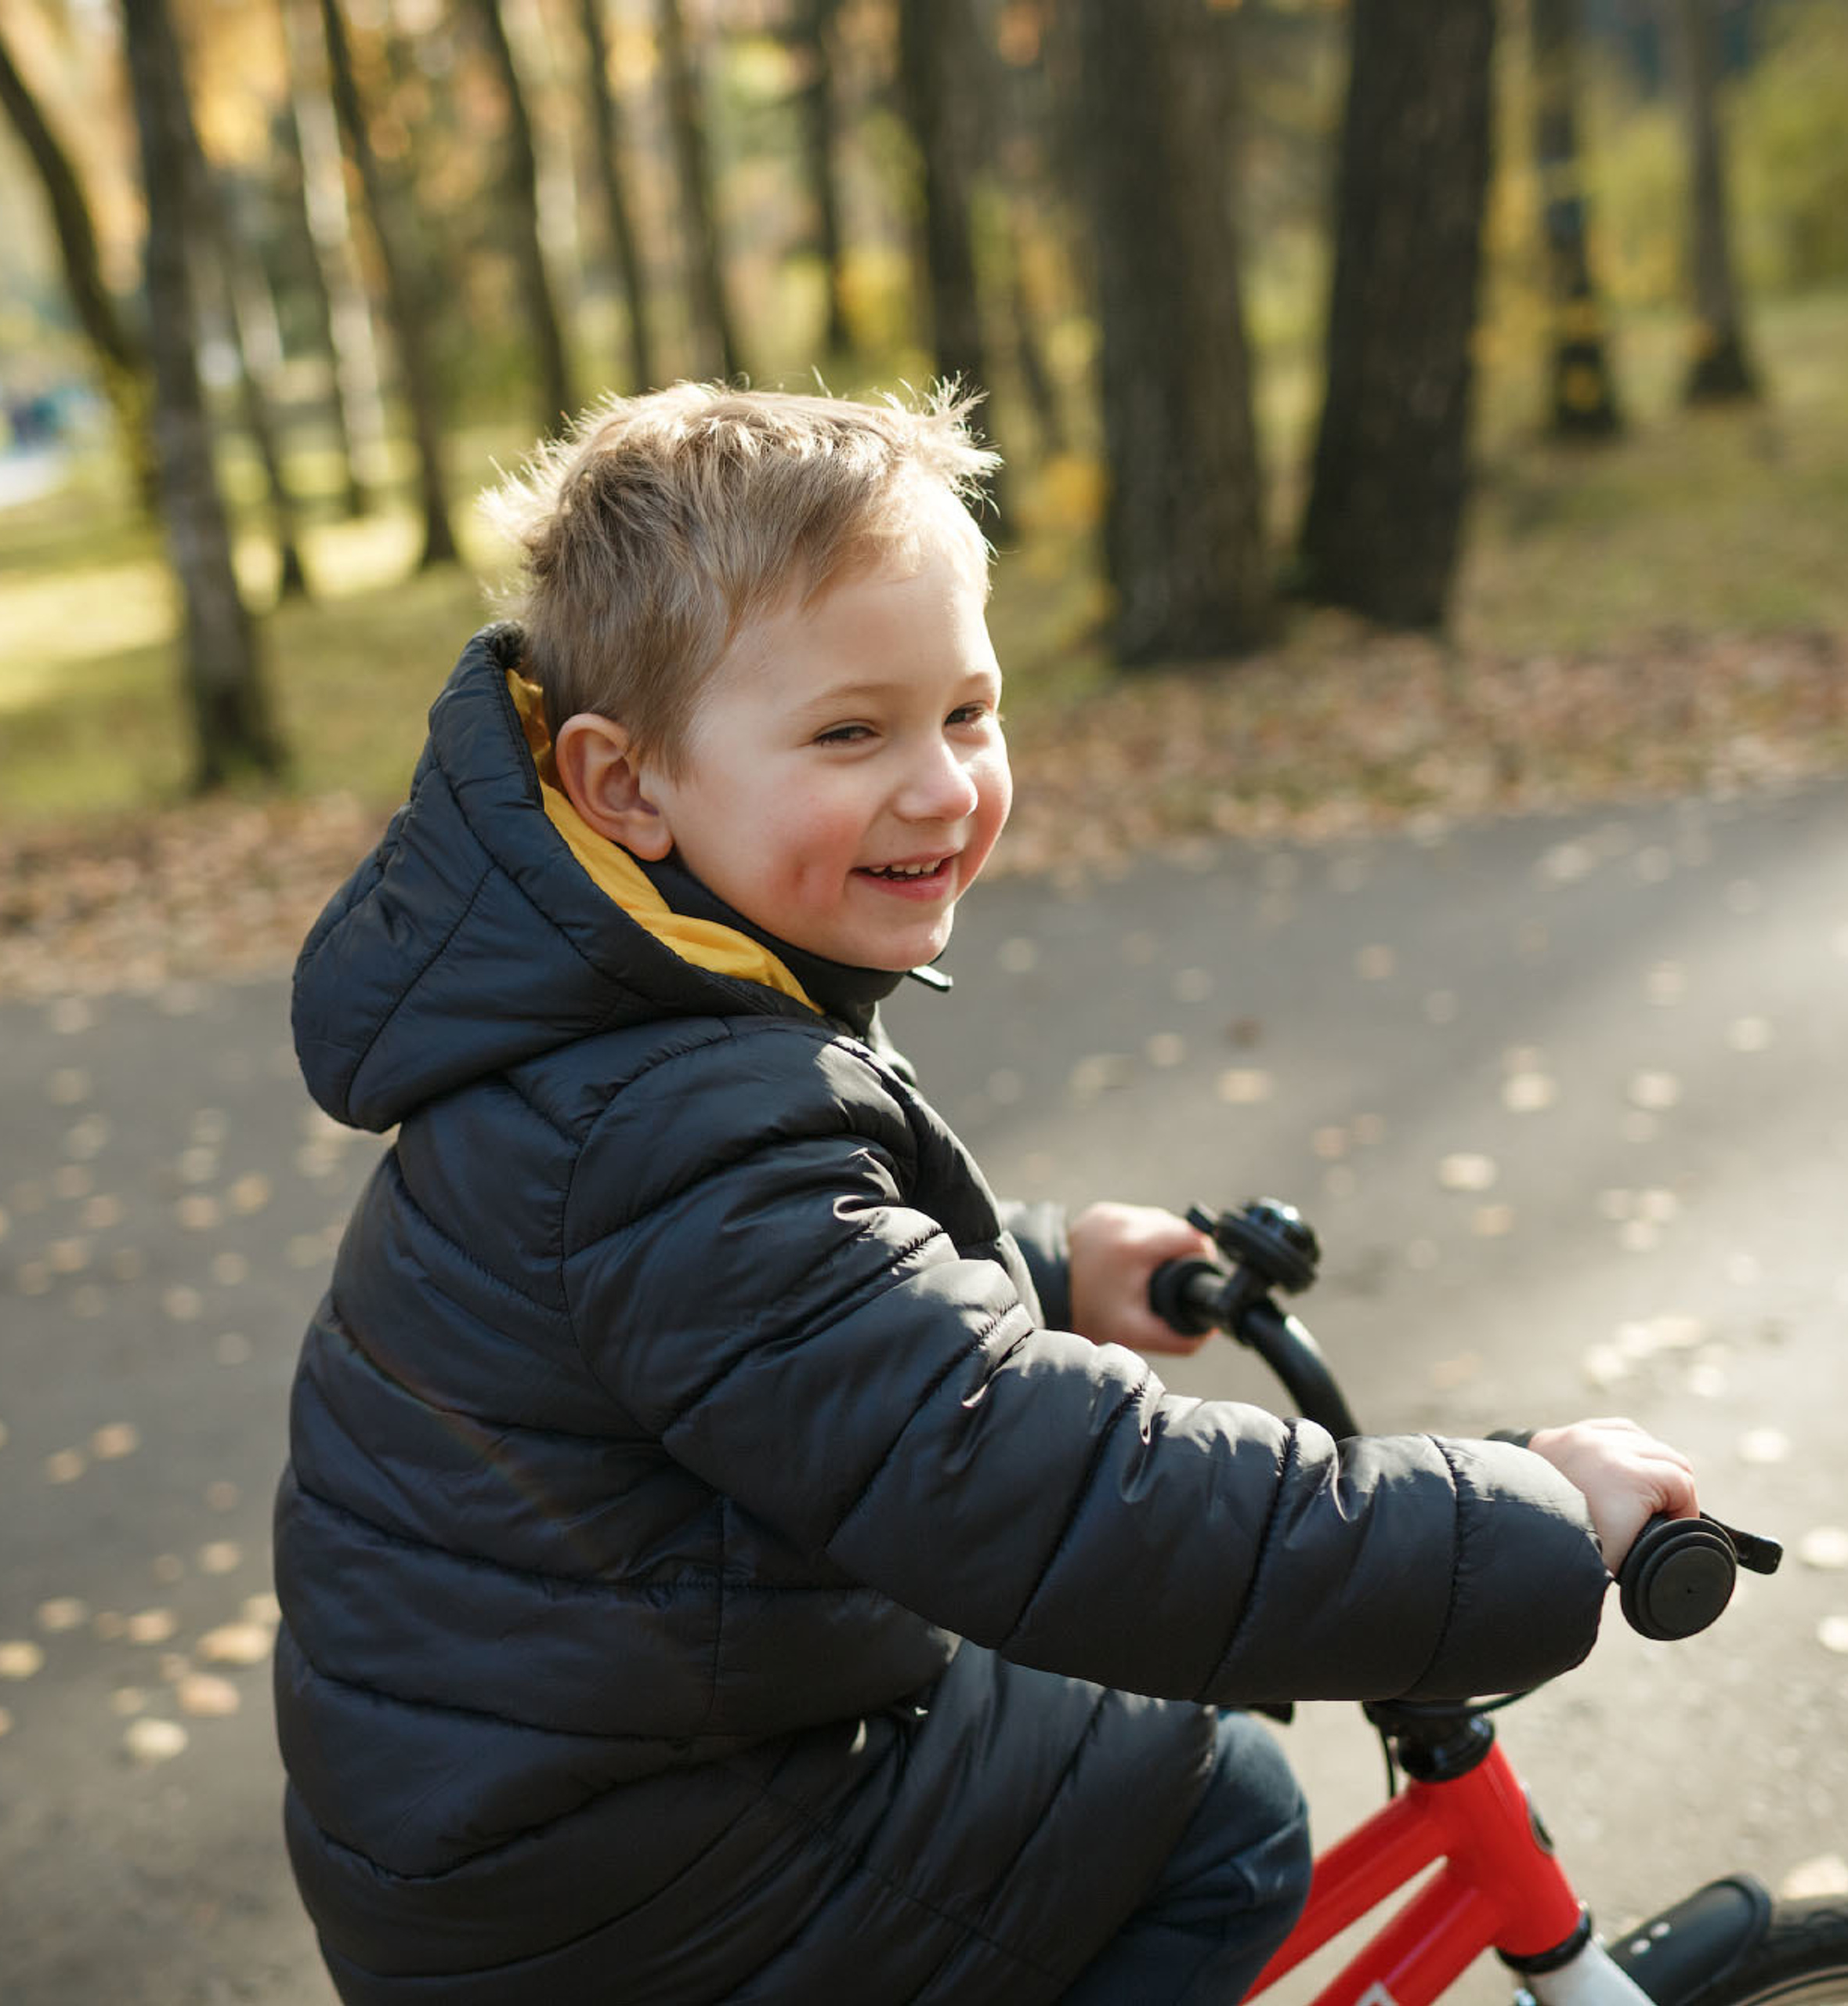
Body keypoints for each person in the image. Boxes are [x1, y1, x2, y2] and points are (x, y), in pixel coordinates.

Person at [274, 383, 1696, 2006]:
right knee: (1204, 1800)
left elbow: (802, 1335)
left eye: (967, 709)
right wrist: (1498, 1519)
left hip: (545, 1819)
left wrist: (1036, 1265)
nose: (943, 786)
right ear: (623, 785)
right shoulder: (664, 1119)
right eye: (848, 731)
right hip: (617, 1894)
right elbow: (1048, 1490)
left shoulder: (621, 1018)